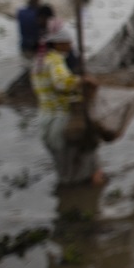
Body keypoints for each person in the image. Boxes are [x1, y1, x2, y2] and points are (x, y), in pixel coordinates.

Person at [30, 25, 103, 185]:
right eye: (68, 43)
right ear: (57, 44)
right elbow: (61, 83)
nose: (70, 46)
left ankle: (68, 195)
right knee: (80, 158)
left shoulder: (39, 61)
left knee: (64, 165)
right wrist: (83, 81)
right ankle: (82, 193)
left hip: (46, 119)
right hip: (62, 119)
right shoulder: (55, 60)